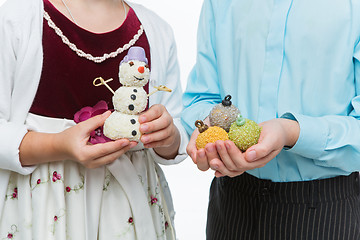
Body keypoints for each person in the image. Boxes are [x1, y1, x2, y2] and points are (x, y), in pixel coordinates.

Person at [0, 0, 188, 239]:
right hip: (43, 211)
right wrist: (58, 145)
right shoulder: (17, 18)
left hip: (132, 215)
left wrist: (168, 136)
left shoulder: (156, 30)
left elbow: (176, 131)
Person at [182, 0, 360, 239]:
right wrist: (210, 131)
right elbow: (201, 97)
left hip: (325, 211)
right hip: (230, 204)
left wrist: (292, 132)